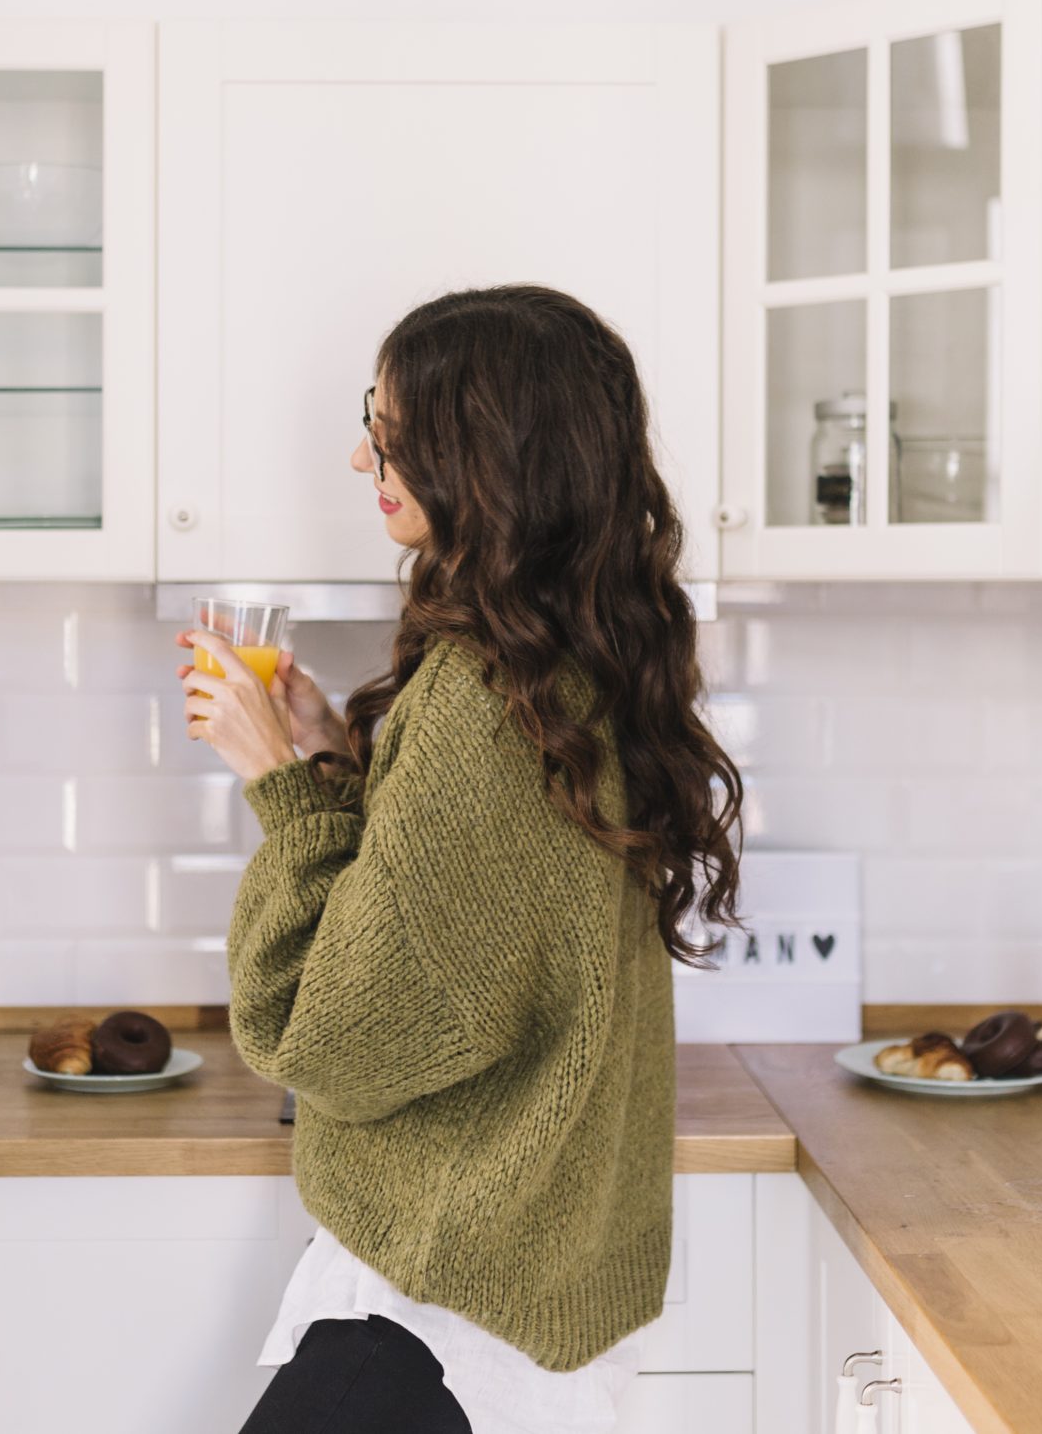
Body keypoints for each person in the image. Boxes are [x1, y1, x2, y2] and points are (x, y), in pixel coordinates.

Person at [179, 285, 745, 1434]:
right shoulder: (577, 662)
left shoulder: (481, 695)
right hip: (529, 1295)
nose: (359, 455)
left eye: (390, 432)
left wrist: (282, 789)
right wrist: (344, 766)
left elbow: (327, 1037)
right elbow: (477, 948)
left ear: (486, 451)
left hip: (437, 1315)